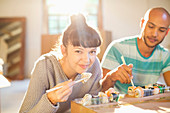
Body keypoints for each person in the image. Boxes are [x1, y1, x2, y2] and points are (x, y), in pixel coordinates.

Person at [19, 14, 106, 113]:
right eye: (78, 51)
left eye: (92, 52)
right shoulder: (44, 66)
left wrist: (105, 97)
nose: (87, 59)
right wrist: (50, 99)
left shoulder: (94, 66)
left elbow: (91, 106)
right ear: (63, 50)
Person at [101, 7, 170, 94]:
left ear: (167, 32)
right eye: (151, 26)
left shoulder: (165, 55)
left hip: (147, 105)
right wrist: (110, 77)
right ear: (142, 23)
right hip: (120, 104)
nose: (154, 34)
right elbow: (100, 91)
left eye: (161, 30)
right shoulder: (118, 48)